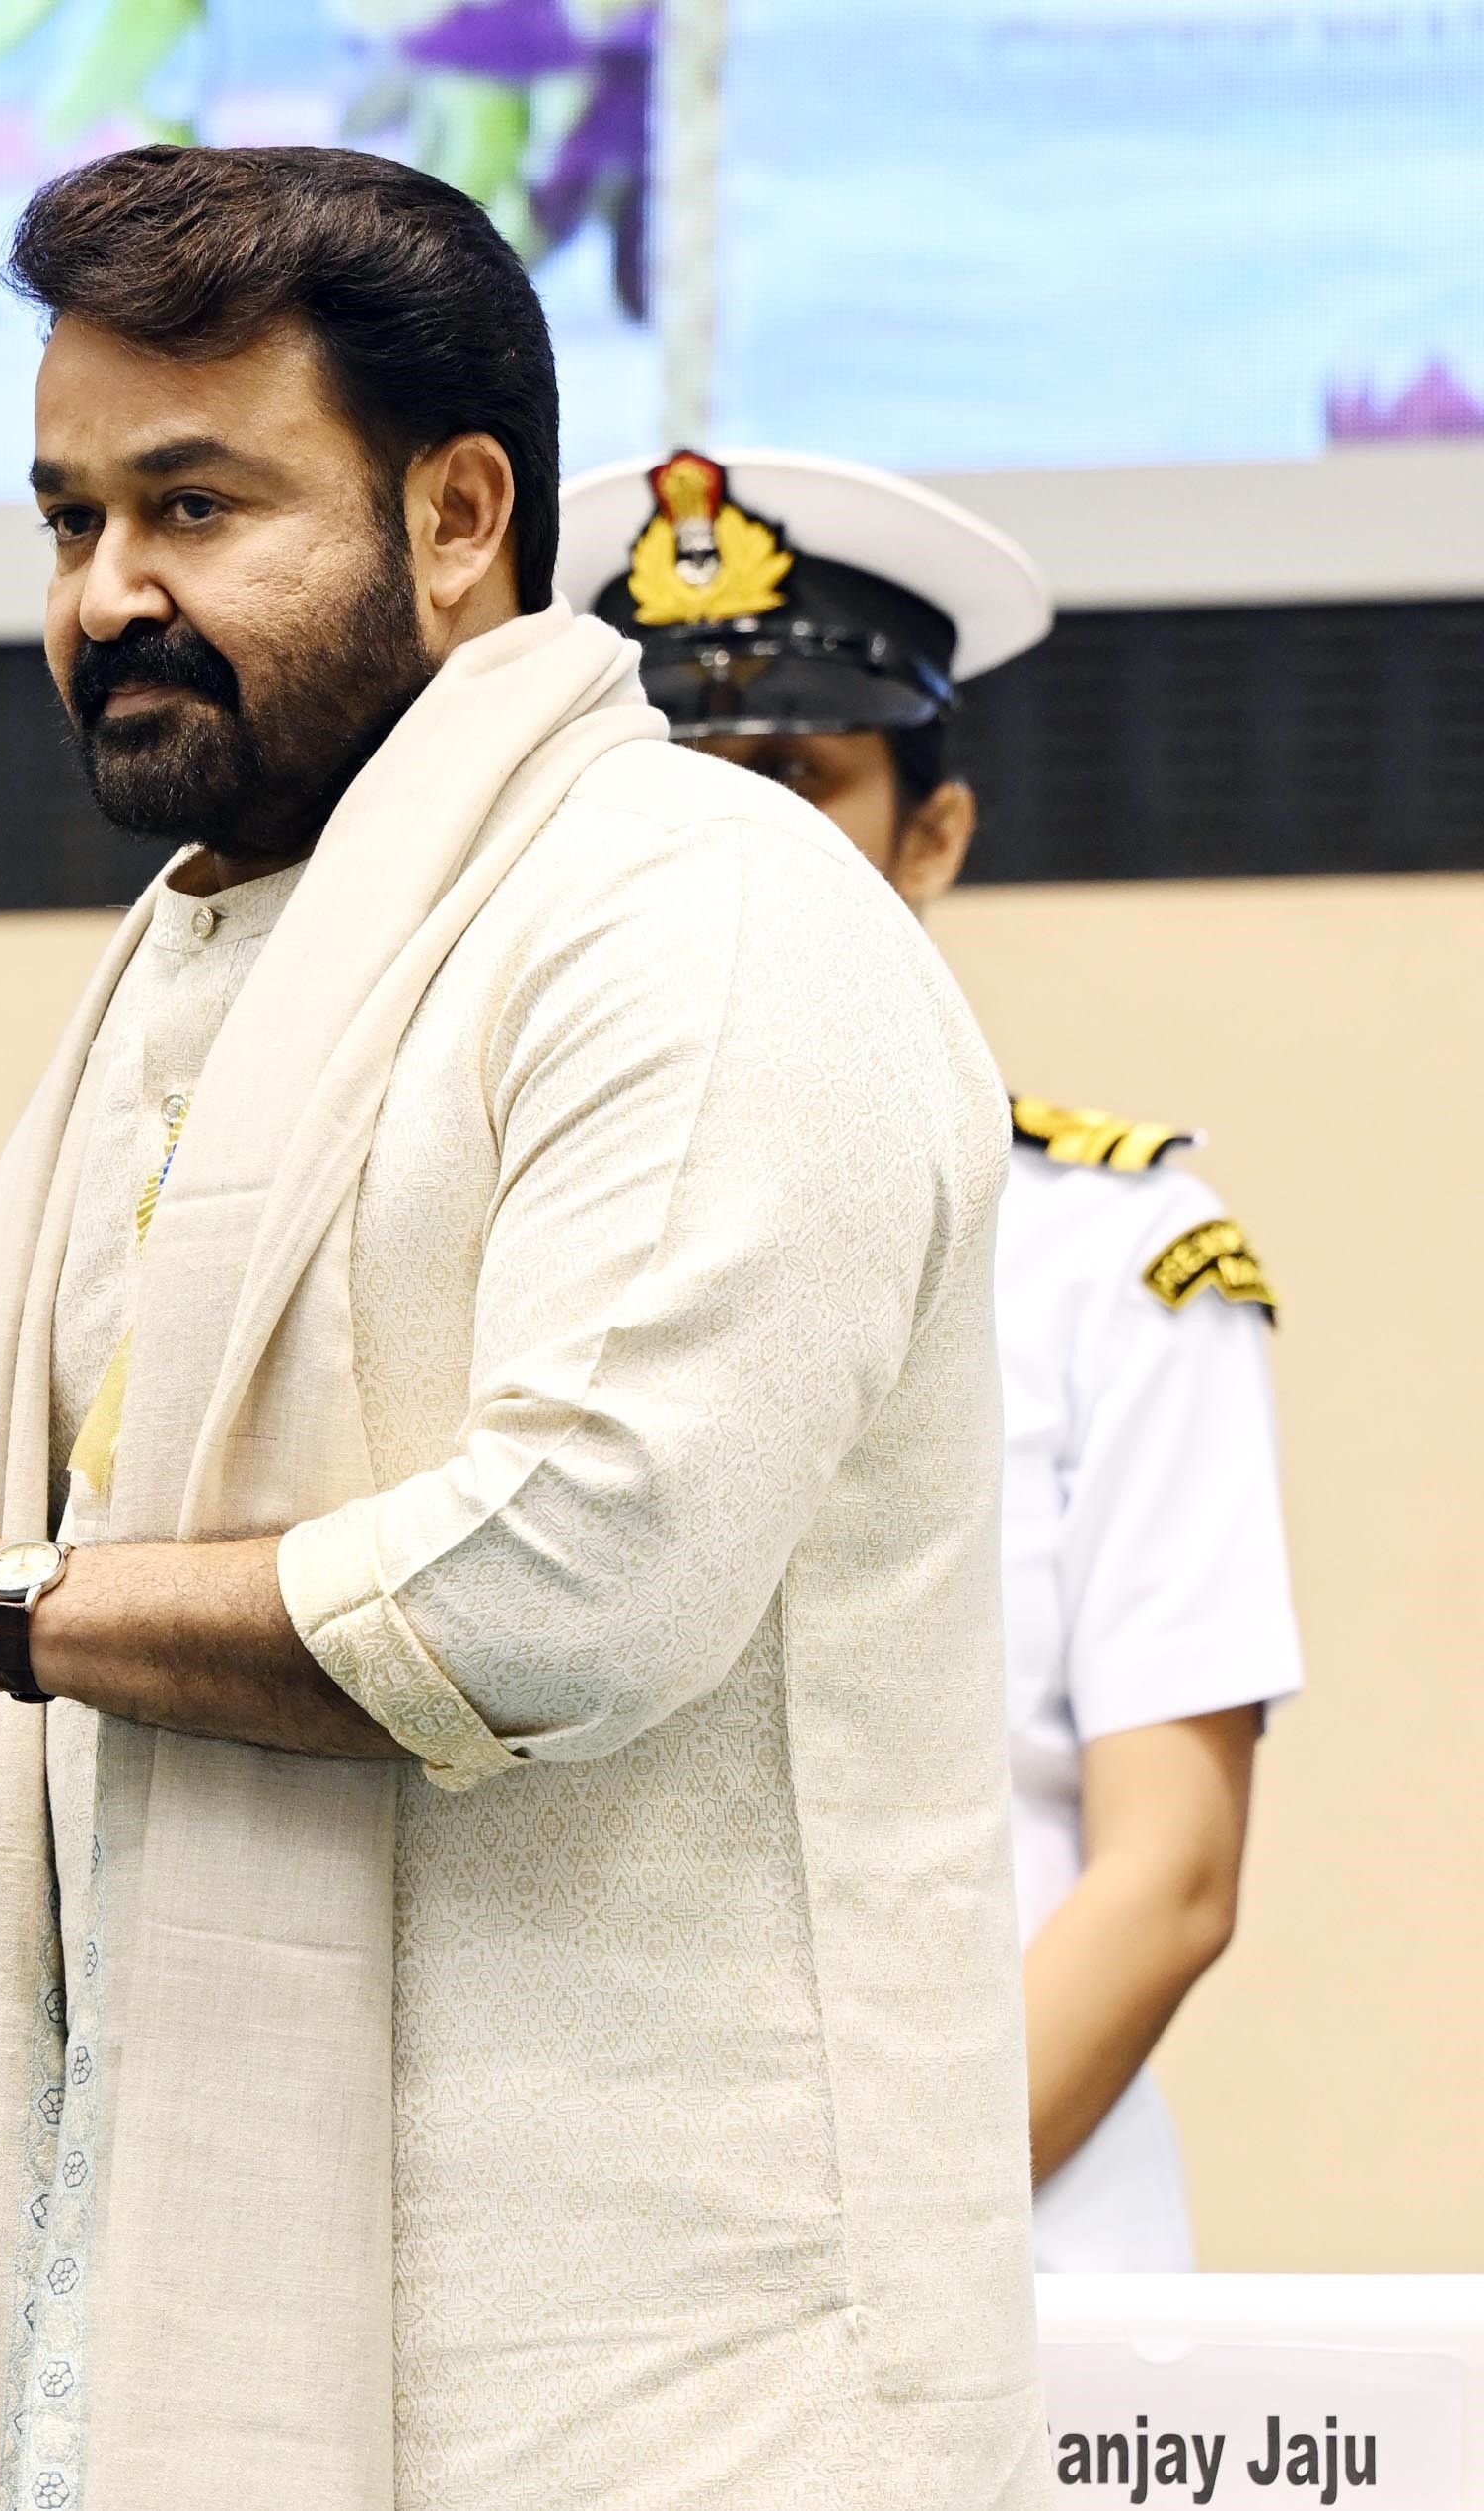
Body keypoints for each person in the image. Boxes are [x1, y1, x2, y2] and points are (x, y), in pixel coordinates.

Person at [0, 147, 1048, 2507]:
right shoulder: (208, 958)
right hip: (207, 2350)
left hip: (651, 2389)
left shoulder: (697, 914)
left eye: (194, 506)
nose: (107, 597)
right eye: (68, 520)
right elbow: (147, 1628)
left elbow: (573, 1581)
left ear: (457, 514)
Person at [557, 447, 1304, 2269]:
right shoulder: (518, 1239)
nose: (733, 841)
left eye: (799, 779)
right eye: (676, 781)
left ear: (934, 836)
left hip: (1001, 2257)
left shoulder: (1117, 1255)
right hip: (598, 2268)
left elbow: (1171, 1873)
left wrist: (863, 2256)